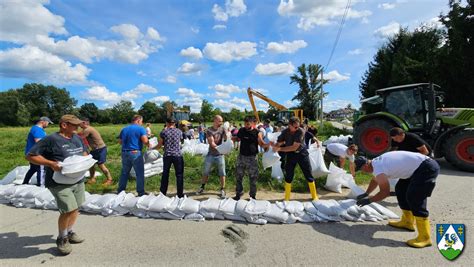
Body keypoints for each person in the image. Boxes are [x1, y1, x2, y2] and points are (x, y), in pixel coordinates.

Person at [26, 115, 87, 255]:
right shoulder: (51, 139)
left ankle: (70, 232)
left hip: (77, 179)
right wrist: (50, 163)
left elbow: (83, 151)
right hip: (58, 182)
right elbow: (30, 156)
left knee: (76, 208)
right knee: (67, 210)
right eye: (74, 125)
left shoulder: (76, 137)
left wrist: (85, 160)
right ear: (64, 125)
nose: (77, 127)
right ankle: (62, 238)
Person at [354, 151, 439, 248]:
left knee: (415, 197)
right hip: (416, 169)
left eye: (361, 169)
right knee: (401, 190)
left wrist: (369, 200)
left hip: (426, 167)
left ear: (365, 164)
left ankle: (425, 238)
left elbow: (384, 193)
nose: (362, 172)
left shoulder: (378, 168)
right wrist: (366, 193)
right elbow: (375, 180)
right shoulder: (374, 164)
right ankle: (408, 222)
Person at [271, 117, 319, 201]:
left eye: (298, 126)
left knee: (308, 173)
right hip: (291, 155)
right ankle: (287, 197)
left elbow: (294, 147)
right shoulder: (285, 132)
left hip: (302, 154)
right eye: (295, 127)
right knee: (289, 174)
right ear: (289, 125)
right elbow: (280, 142)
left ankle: (314, 196)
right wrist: (275, 145)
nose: (297, 128)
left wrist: (279, 149)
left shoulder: (300, 131)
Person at [232, 116, 269, 200]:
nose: (246, 125)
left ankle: (252, 196)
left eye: (248, 124)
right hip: (241, 156)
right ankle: (239, 193)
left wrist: (267, 146)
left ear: (252, 123)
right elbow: (238, 138)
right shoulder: (241, 130)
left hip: (252, 158)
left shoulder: (257, 132)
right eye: (245, 123)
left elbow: (261, 143)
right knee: (238, 176)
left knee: (253, 178)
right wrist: (232, 139)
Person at [197, 115, 228, 198]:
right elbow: (212, 142)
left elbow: (226, 139)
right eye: (219, 121)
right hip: (211, 154)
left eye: (222, 121)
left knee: (222, 173)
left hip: (220, 155)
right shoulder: (209, 130)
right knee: (206, 172)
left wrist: (226, 132)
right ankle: (202, 187)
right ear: (215, 120)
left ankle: (222, 189)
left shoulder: (222, 129)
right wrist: (221, 149)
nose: (221, 123)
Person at [117, 115, 149, 196]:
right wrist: (149, 144)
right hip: (135, 152)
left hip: (124, 152)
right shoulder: (141, 129)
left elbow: (120, 142)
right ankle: (141, 192)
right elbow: (145, 141)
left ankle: (121, 191)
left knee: (124, 172)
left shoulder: (124, 129)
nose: (142, 123)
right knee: (139, 173)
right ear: (138, 120)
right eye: (141, 121)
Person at [155, 117, 185, 198]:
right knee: (179, 175)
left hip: (167, 155)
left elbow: (160, 144)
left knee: (165, 174)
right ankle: (180, 194)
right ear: (174, 123)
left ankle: (163, 193)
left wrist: (153, 148)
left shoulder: (163, 132)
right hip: (177, 155)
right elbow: (180, 141)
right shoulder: (179, 131)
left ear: (167, 123)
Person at [79, 118, 113, 186]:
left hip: (100, 149)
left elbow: (80, 137)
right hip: (95, 150)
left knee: (101, 165)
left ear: (84, 123)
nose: (78, 124)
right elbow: (79, 134)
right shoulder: (87, 129)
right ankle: (92, 178)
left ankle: (109, 179)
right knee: (91, 164)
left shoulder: (88, 129)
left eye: (80, 123)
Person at [23, 116, 53, 186]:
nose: (48, 125)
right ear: (43, 122)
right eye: (48, 123)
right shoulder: (38, 130)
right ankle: (41, 185)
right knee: (41, 169)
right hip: (37, 153)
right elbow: (39, 142)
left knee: (33, 168)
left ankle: (25, 182)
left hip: (31, 152)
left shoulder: (35, 128)